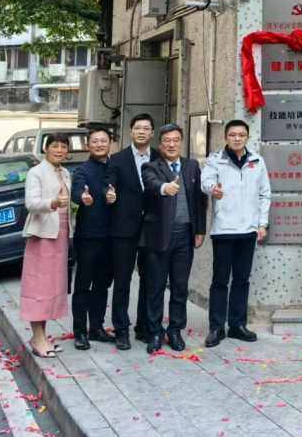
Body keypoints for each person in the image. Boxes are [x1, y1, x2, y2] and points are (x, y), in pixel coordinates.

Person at [200, 120, 271, 346]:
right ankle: (216, 327)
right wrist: (213, 189)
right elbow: (205, 181)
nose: (237, 138)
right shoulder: (215, 159)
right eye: (232, 134)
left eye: (241, 135)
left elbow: (265, 194)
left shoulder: (257, 161)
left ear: (247, 137)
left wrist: (262, 224)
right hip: (223, 230)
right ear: (226, 137)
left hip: (248, 230)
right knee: (220, 281)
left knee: (241, 280)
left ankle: (237, 325)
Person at [141, 124, 207, 353]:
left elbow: (199, 200)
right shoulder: (151, 166)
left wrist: (200, 230)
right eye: (167, 140)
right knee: (156, 287)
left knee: (180, 287)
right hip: (158, 237)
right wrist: (164, 188)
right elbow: (151, 184)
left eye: (175, 140)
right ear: (160, 145)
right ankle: (155, 331)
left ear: (181, 142)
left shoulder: (192, 166)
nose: (171, 144)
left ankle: (175, 330)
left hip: (184, 236)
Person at [107, 114, 157, 351]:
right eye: (138, 128)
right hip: (123, 228)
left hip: (152, 227)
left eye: (146, 128)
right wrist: (108, 193)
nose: (142, 131)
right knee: (122, 280)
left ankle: (144, 327)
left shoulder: (159, 157)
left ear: (152, 133)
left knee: (150, 279)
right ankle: (121, 330)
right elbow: (109, 184)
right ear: (131, 131)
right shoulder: (117, 159)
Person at [21, 134, 74, 359]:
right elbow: (31, 204)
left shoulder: (65, 172)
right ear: (46, 149)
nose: (59, 150)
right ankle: (38, 337)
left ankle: (41, 336)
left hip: (61, 234)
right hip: (42, 235)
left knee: (52, 287)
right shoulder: (36, 172)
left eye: (63, 146)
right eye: (55, 146)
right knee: (38, 288)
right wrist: (53, 202)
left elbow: (68, 204)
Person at [69, 125, 115, 350]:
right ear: (88, 145)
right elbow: (77, 190)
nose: (99, 145)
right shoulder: (82, 170)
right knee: (83, 285)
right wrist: (82, 197)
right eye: (95, 141)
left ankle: (96, 327)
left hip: (112, 236)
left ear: (110, 143)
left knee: (102, 285)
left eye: (103, 141)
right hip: (88, 237)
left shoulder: (115, 167)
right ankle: (79, 331)